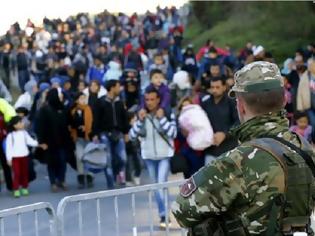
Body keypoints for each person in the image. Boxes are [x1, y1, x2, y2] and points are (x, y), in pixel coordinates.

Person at [172, 61, 315, 235]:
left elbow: (181, 210)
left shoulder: (237, 160)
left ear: (240, 105)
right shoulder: (305, 148)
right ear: (284, 100)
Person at [129, 87, 177, 227]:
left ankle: (163, 215)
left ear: (158, 100)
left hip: (164, 155)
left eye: (152, 99)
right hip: (148, 156)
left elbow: (173, 133)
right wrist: (139, 120)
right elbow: (132, 136)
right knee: (157, 187)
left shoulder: (167, 113)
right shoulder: (142, 114)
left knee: (161, 184)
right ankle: (163, 214)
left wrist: (161, 118)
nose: (149, 102)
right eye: (147, 99)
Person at [93, 79, 129, 188]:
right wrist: (95, 134)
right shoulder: (101, 101)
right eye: (118, 86)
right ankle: (110, 182)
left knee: (123, 158)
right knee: (107, 159)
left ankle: (118, 174)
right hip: (105, 133)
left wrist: (126, 132)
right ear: (112, 88)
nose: (120, 89)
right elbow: (96, 119)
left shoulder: (120, 101)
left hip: (118, 132)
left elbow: (124, 118)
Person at [35, 88, 72, 192]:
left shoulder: (63, 108)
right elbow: (40, 127)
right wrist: (41, 141)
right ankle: (53, 182)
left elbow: (68, 122)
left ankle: (61, 180)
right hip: (49, 142)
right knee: (51, 162)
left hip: (63, 141)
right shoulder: (44, 110)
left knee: (62, 161)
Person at [199, 76, 239, 164]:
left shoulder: (231, 102)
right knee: (209, 176)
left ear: (224, 87)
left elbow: (238, 122)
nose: (214, 90)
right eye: (212, 87)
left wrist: (225, 134)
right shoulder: (205, 103)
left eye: (217, 87)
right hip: (211, 148)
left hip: (230, 148)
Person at [5, 116, 47, 197]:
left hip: (24, 156)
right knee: (17, 173)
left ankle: (25, 187)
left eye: (22, 122)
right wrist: (8, 159)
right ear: (15, 125)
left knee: (24, 173)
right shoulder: (10, 136)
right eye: (20, 122)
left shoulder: (24, 133)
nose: (22, 123)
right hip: (15, 158)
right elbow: (8, 148)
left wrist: (39, 144)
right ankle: (16, 189)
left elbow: (30, 141)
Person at [70, 92, 94, 188]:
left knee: (89, 157)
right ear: (77, 100)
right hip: (78, 138)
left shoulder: (88, 109)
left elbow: (92, 122)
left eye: (84, 98)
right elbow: (71, 124)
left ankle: (89, 176)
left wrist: (87, 128)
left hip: (88, 137)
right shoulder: (73, 111)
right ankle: (80, 176)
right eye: (81, 98)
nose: (83, 100)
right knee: (79, 157)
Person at [297, 58, 315, 127]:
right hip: (309, 105)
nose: (311, 66)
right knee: (313, 124)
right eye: (309, 65)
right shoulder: (305, 76)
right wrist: (300, 107)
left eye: (312, 64)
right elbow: (300, 92)